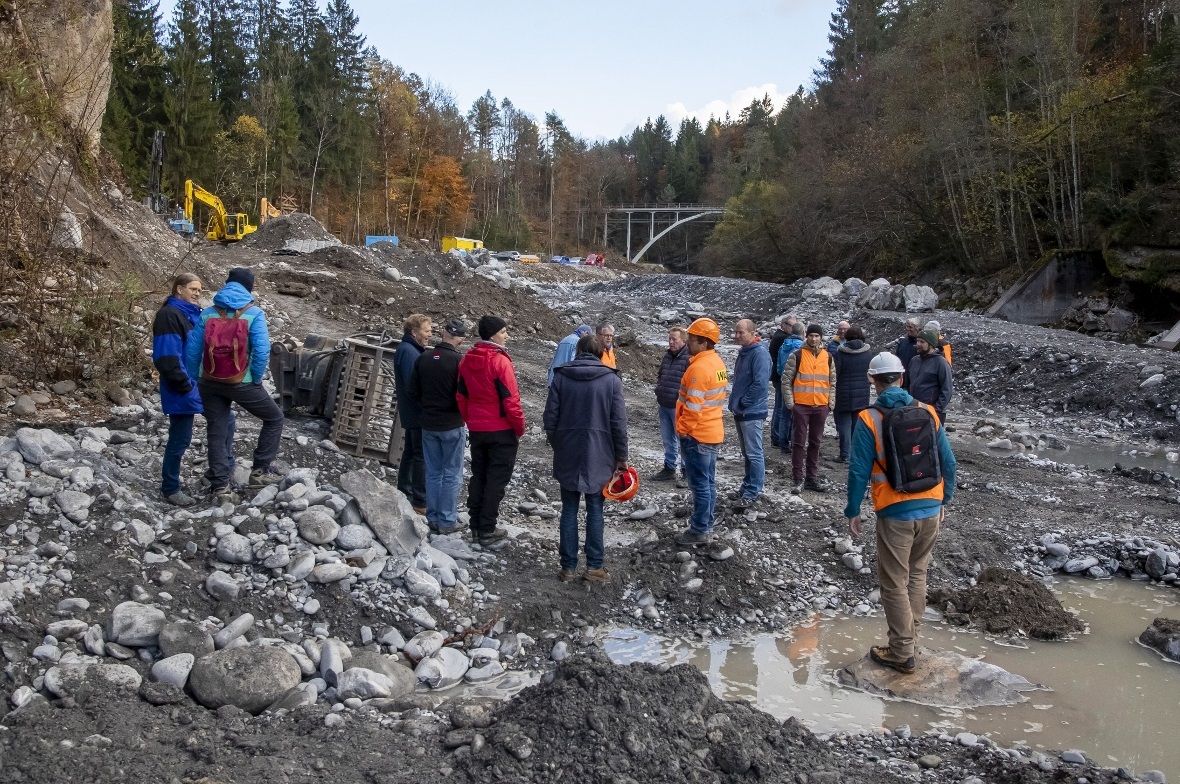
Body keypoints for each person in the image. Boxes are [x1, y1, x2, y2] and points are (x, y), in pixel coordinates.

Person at [845, 352, 956, 674]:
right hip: (932, 507)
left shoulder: (869, 419)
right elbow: (949, 463)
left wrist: (853, 510)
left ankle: (901, 651)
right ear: (903, 377)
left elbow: (857, 471)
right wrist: (944, 500)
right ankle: (911, 638)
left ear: (872, 380)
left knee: (894, 582)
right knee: (917, 574)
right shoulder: (929, 412)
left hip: (896, 511)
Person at [184, 267, 284, 504]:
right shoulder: (254, 313)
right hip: (243, 382)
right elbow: (261, 350)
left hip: (209, 381)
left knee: (216, 431)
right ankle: (259, 471)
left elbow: (192, 350)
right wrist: (256, 377)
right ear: (249, 288)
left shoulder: (208, 313)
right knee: (274, 418)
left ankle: (220, 486)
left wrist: (194, 379)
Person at [544, 334, 627, 584]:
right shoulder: (611, 380)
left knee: (568, 509)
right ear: (601, 352)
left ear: (577, 352)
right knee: (595, 510)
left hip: (568, 450)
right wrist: (621, 456)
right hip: (600, 453)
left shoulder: (561, 376)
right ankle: (594, 566)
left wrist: (559, 443)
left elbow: (550, 418)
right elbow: (618, 423)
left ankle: (568, 568)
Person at [152, 273, 232, 506]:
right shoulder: (169, 315)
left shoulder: (189, 314)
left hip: (198, 383)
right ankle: (170, 488)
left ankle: (218, 475)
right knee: (180, 437)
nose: (197, 293)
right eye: (192, 289)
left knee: (227, 420)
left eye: (199, 289)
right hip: (182, 385)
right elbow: (166, 357)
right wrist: (185, 385)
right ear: (179, 290)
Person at [456, 315, 525, 546]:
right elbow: (511, 400)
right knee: (496, 479)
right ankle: (487, 529)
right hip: (501, 429)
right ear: (493, 334)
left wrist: (471, 420)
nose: (507, 335)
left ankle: (476, 526)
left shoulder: (467, 359)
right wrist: (519, 427)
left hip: (478, 429)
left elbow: (461, 395)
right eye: (504, 331)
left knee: (479, 475)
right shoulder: (500, 361)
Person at [674, 318, 728, 546]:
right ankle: (706, 522)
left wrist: (682, 430)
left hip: (697, 435)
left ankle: (699, 530)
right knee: (709, 483)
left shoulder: (699, 368)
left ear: (704, 343)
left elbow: (693, 408)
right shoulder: (717, 364)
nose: (688, 343)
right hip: (712, 431)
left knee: (700, 485)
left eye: (692, 340)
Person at [411, 318, 467, 534]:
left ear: (443, 333)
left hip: (429, 423)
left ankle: (432, 517)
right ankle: (446, 520)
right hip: (452, 423)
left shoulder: (424, 357)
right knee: (452, 473)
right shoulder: (458, 361)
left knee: (433, 472)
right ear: (460, 339)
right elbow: (464, 394)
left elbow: (413, 390)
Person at [782, 324, 836, 495]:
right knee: (798, 443)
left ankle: (812, 478)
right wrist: (792, 404)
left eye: (817, 336)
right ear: (806, 336)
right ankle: (798, 478)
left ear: (821, 337)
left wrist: (830, 404)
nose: (813, 339)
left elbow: (832, 382)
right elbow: (786, 381)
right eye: (811, 335)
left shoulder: (828, 357)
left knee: (815, 443)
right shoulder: (797, 355)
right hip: (802, 406)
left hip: (820, 406)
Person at [728, 319, 771, 508]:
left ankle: (753, 491)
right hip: (743, 411)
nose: (737, 336)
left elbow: (760, 383)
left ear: (753, 333)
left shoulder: (759, 354)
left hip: (751, 411)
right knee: (748, 453)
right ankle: (747, 486)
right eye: (736, 332)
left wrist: (744, 402)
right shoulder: (745, 352)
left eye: (741, 333)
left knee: (754, 453)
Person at [394, 314, 431, 514]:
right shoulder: (409, 352)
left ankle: (404, 491)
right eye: (426, 331)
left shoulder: (408, 349)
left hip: (410, 410)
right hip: (416, 411)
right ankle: (419, 500)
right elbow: (413, 385)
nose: (430, 334)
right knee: (419, 455)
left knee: (410, 452)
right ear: (414, 332)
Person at [651, 326, 690, 482]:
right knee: (668, 439)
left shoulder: (688, 358)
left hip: (678, 406)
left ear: (683, 340)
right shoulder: (668, 356)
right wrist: (659, 388)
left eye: (674, 339)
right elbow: (661, 375)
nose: (671, 342)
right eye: (669, 339)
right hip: (664, 404)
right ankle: (669, 467)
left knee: (683, 439)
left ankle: (687, 471)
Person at [832, 326, 872, 463]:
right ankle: (856, 454)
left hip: (842, 394)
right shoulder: (868, 354)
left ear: (847, 337)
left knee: (843, 424)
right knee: (857, 425)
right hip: (862, 394)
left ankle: (845, 455)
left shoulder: (840, 354)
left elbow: (835, 374)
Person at [907, 328, 953, 418]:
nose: (918, 344)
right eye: (917, 341)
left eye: (922, 342)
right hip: (912, 411)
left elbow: (947, 390)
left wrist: (935, 410)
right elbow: (906, 384)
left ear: (931, 344)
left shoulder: (941, 363)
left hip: (932, 413)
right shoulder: (914, 360)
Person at [774, 323, 805, 452]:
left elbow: (779, 364)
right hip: (796, 383)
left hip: (784, 381)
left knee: (783, 413)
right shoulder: (801, 348)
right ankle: (794, 441)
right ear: (802, 333)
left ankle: (782, 443)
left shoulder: (784, 345)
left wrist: (782, 377)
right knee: (796, 414)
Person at [767, 315, 795, 449]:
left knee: (778, 406)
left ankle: (776, 436)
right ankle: (777, 436)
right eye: (791, 326)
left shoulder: (778, 336)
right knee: (780, 408)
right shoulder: (783, 339)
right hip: (780, 376)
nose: (792, 329)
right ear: (784, 324)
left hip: (777, 376)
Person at [893, 318, 921, 390]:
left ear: (917, 328)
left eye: (910, 327)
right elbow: (897, 358)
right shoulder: (903, 342)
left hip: (914, 379)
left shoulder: (921, 344)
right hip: (902, 377)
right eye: (907, 327)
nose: (908, 329)